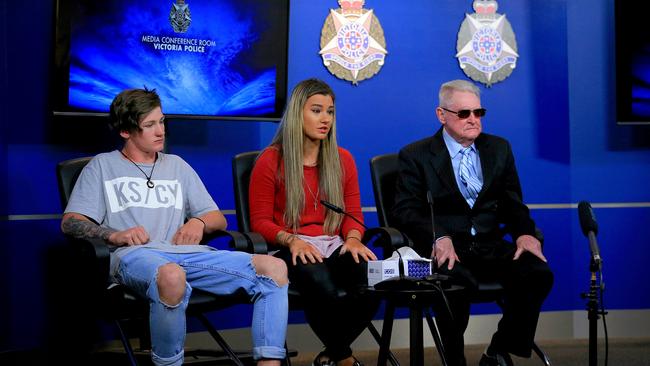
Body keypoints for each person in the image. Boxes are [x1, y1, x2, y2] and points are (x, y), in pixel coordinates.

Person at [61, 88, 289, 366]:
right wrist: (114, 234)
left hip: (186, 256)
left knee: (275, 269)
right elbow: (71, 222)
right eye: (149, 125)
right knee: (171, 276)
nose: (160, 131)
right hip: (134, 257)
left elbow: (217, 217)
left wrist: (198, 221)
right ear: (125, 131)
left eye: (161, 121)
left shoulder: (177, 166)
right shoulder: (102, 166)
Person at [391, 80, 554, 366]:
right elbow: (406, 211)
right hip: (448, 251)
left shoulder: (499, 149)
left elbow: (513, 202)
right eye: (464, 113)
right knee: (455, 284)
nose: (473, 120)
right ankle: (455, 361)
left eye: (478, 113)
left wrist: (525, 233)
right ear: (442, 115)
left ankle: (498, 350)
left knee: (538, 273)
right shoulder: (416, 155)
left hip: (490, 246)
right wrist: (439, 237)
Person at [249, 79, 378, 366]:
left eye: (330, 112)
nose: (325, 119)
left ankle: (332, 353)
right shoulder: (271, 160)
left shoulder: (343, 159)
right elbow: (259, 222)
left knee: (374, 281)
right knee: (323, 285)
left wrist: (354, 238)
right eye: (317, 110)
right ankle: (343, 358)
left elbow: (353, 215)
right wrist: (292, 240)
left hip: (335, 245)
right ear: (298, 114)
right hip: (291, 247)